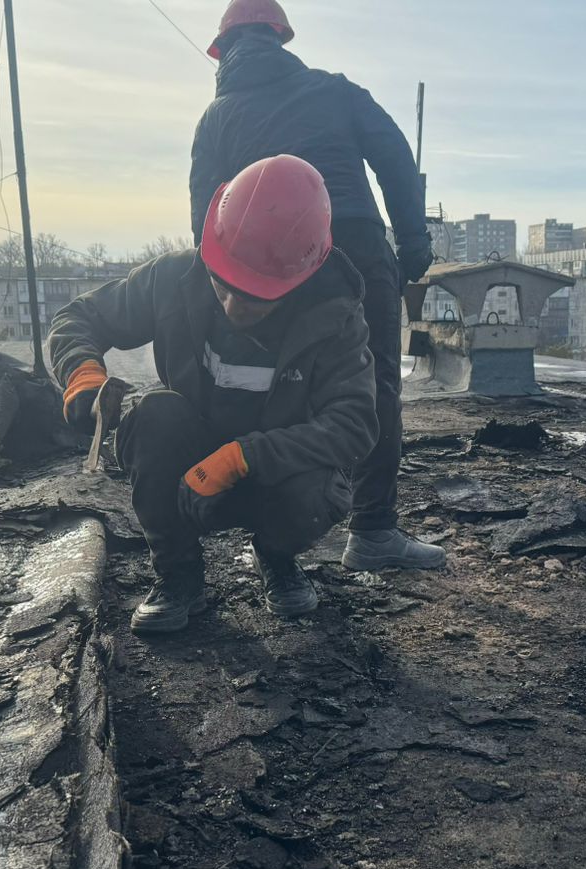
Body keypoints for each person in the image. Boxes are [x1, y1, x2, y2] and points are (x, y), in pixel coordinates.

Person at [49, 155, 378, 635]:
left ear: (299, 278)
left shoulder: (334, 315)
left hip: (275, 477)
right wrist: (82, 376)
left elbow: (355, 424)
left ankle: (276, 556)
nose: (231, 304)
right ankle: (178, 576)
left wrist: (242, 457)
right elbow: (79, 319)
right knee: (152, 417)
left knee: (316, 491)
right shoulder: (172, 277)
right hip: (188, 466)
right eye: (222, 284)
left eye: (254, 296)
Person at [189, 0, 443, 572]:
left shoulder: (217, 118)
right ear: (281, 39)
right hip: (353, 243)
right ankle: (373, 532)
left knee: (276, 384)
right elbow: (396, 158)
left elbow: (205, 214)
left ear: (223, 52)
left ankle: (273, 537)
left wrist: (225, 288)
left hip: (261, 263)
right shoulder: (335, 90)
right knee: (373, 383)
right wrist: (412, 243)